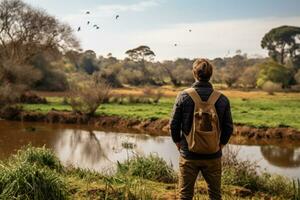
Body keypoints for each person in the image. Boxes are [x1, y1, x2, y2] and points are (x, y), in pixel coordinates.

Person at [170, 58, 233, 200]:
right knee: (215, 195)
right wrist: (220, 145)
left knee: (185, 195)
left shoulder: (183, 96)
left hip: (188, 154)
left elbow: (174, 124)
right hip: (213, 155)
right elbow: (229, 128)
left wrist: (178, 143)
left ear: (194, 74)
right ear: (211, 75)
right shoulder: (222, 99)